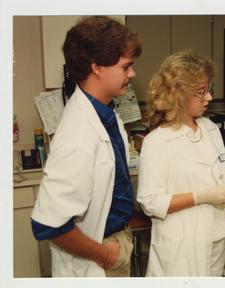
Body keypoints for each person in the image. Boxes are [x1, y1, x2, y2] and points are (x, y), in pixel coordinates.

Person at [137, 50, 225, 277]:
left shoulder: (210, 129)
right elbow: (150, 202)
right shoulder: (157, 142)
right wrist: (201, 197)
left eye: (209, 90)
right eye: (200, 92)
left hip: (219, 239)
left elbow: (223, 173)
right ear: (178, 95)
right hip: (183, 249)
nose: (209, 98)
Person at [31, 16, 142, 277]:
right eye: (126, 67)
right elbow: (47, 225)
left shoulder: (106, 114)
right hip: (98, 256)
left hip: (115, 239)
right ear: (97, 68)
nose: (132, 74)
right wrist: (104, 254)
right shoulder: (78, 132)